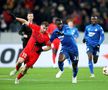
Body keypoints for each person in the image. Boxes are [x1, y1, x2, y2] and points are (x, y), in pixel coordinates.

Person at [9, 14, 51, 84]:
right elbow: (25, 21)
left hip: (35, 54)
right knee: (20, 61)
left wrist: (42, 49)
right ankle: (16, 69)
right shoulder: (35, 28)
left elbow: (49, 47)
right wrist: (16, 18)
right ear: (41, 26)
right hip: (28, 49)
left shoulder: (46, 37)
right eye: (44, 28)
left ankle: (17, 78)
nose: (45, 29)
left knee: (25, 69)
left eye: (46, 28)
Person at [50, 18, 79, 83]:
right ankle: (61, 70)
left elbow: (70, 33)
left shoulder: (66, 27)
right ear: (56, 25)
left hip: (73, 48)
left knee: (74, 65)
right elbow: (50, 40)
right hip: (65, 48)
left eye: (61, 23)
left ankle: (74, 76)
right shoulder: (55, 32)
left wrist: (62, 33)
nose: (60, 25)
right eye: (58, 24)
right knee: (60, 60)